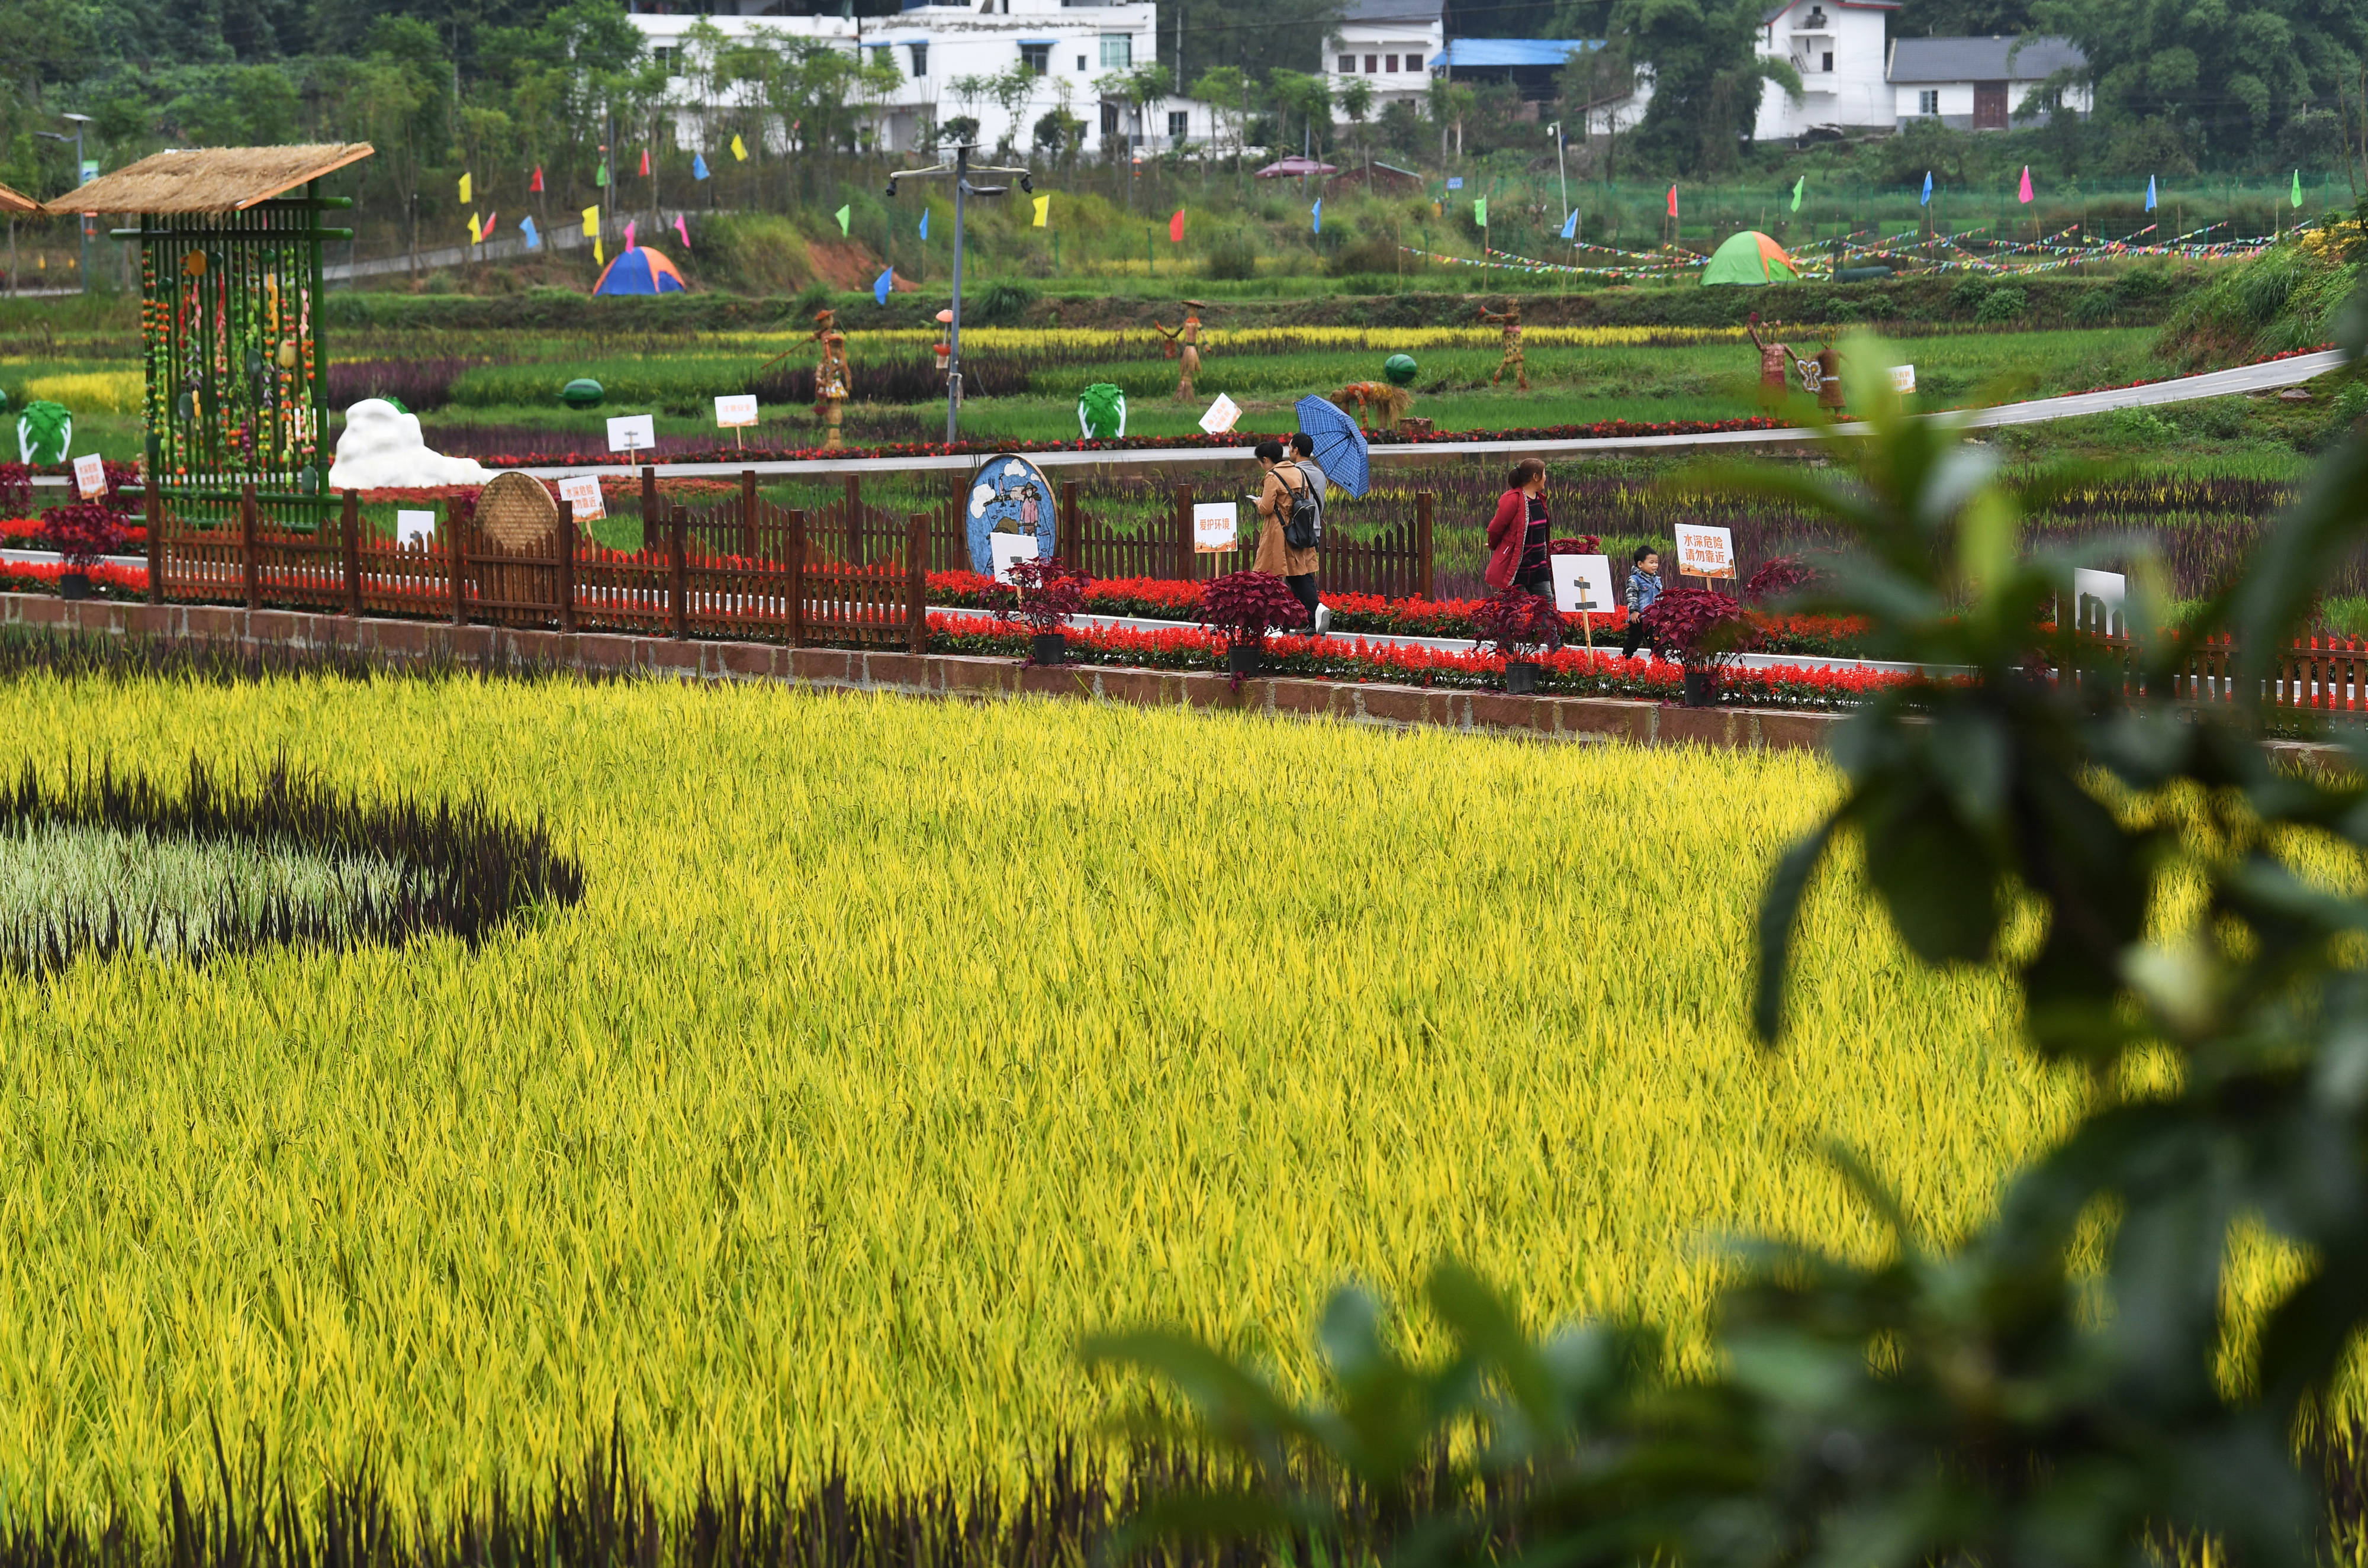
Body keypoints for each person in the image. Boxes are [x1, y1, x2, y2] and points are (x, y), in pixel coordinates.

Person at [1252, 438, 1321, 630]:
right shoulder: (1299, 471)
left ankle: (1274, 621)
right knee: (1300, 573)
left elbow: (1266, 508)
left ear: (1266, 460)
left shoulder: (1273, 476)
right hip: (1299, 531)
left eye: (1261, 462)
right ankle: (1312, 616)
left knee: (1271, 575)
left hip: (1280, 533)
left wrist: (1258, 502)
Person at [1484, 458, 1552, 600]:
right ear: (1535, 477)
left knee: (1546, 605)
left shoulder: (1540, 499)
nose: (1546, 478)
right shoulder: (1513, 499)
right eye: (1544, 474)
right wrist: (1493, 545)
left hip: (1539, 566)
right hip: (1518, 568)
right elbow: (1495, 528)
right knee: (1515, 609)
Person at [1286, 431, 1333, 634]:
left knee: (1296, 575)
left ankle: (1317, 610)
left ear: (1296, 450)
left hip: (1299, 531)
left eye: (1290, 447)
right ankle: (1313, 621)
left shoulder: (1295, 473)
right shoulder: (1320, 474)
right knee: (1305, 574)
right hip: (1315, 530)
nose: (1288, 450)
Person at [1621, 545, 1664, 659]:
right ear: (1640, 564)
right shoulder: (1634, 580)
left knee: (1657, 643)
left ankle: (1662, 664)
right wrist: (1634, 612)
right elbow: (1631, 597)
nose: (1655, 565)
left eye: (1656, 562)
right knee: (1633, 641)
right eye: (1651, 562)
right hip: (1639, 619)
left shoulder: (1656, 579)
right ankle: (1625, 660)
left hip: (1653, 618)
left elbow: (1661, 597)